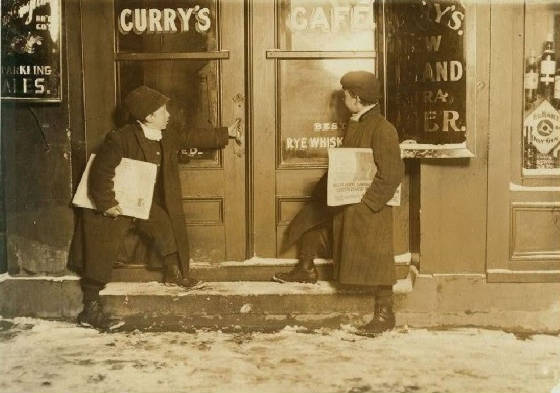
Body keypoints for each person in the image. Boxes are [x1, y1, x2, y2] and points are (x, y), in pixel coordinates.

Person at [70, 85, 240, 330]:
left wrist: (227, 133)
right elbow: (100, 172)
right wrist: (108, 204)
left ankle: (173, 273)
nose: (168, 115)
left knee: (163, 225)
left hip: (140, 200)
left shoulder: (167, 135)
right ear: (148, 116)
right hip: (112, 204)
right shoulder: (120, 138)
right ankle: (90, 308)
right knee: (102, 247)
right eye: (163, 111)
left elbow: (191, 136)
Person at [272, 71, 404, 336]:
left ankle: (385, 314)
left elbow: (392, 173)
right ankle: (306, 268)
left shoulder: (382, 128)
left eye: (345, 95)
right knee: (311, 217)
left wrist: (367, 204)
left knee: (377, 256)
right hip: (349, 199)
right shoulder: (358, 122)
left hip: (368, 208)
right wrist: (328, 190)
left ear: (356, 98)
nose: (342, 99)